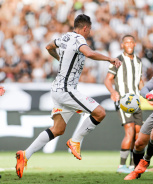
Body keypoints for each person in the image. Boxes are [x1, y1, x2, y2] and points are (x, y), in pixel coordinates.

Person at [15, 14, 121, 179]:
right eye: (89, 30)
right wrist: (110, 59)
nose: (89, 34)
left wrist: (60, 59)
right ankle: (75, 141)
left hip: (57, 88)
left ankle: (25, 154)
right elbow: (89, 53)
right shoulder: (79, 39)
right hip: (66, 89)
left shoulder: (64, 37)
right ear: (85, 28)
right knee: (100, 112)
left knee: (58, 129)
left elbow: (49, 47)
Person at [104, 35, 144, 173]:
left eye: (131, 42)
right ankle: (121, 166)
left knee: (138, 134)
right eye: (126, 42)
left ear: (135, 44)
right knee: (130, 132)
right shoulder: (117, 60)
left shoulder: (139, 61)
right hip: (124, 101)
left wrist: (147, 96)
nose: (129, 44)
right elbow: (108, 80)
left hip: (136, 101)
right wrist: (112, 92)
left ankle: (133, 164)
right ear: (122, 45)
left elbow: (140, 82)